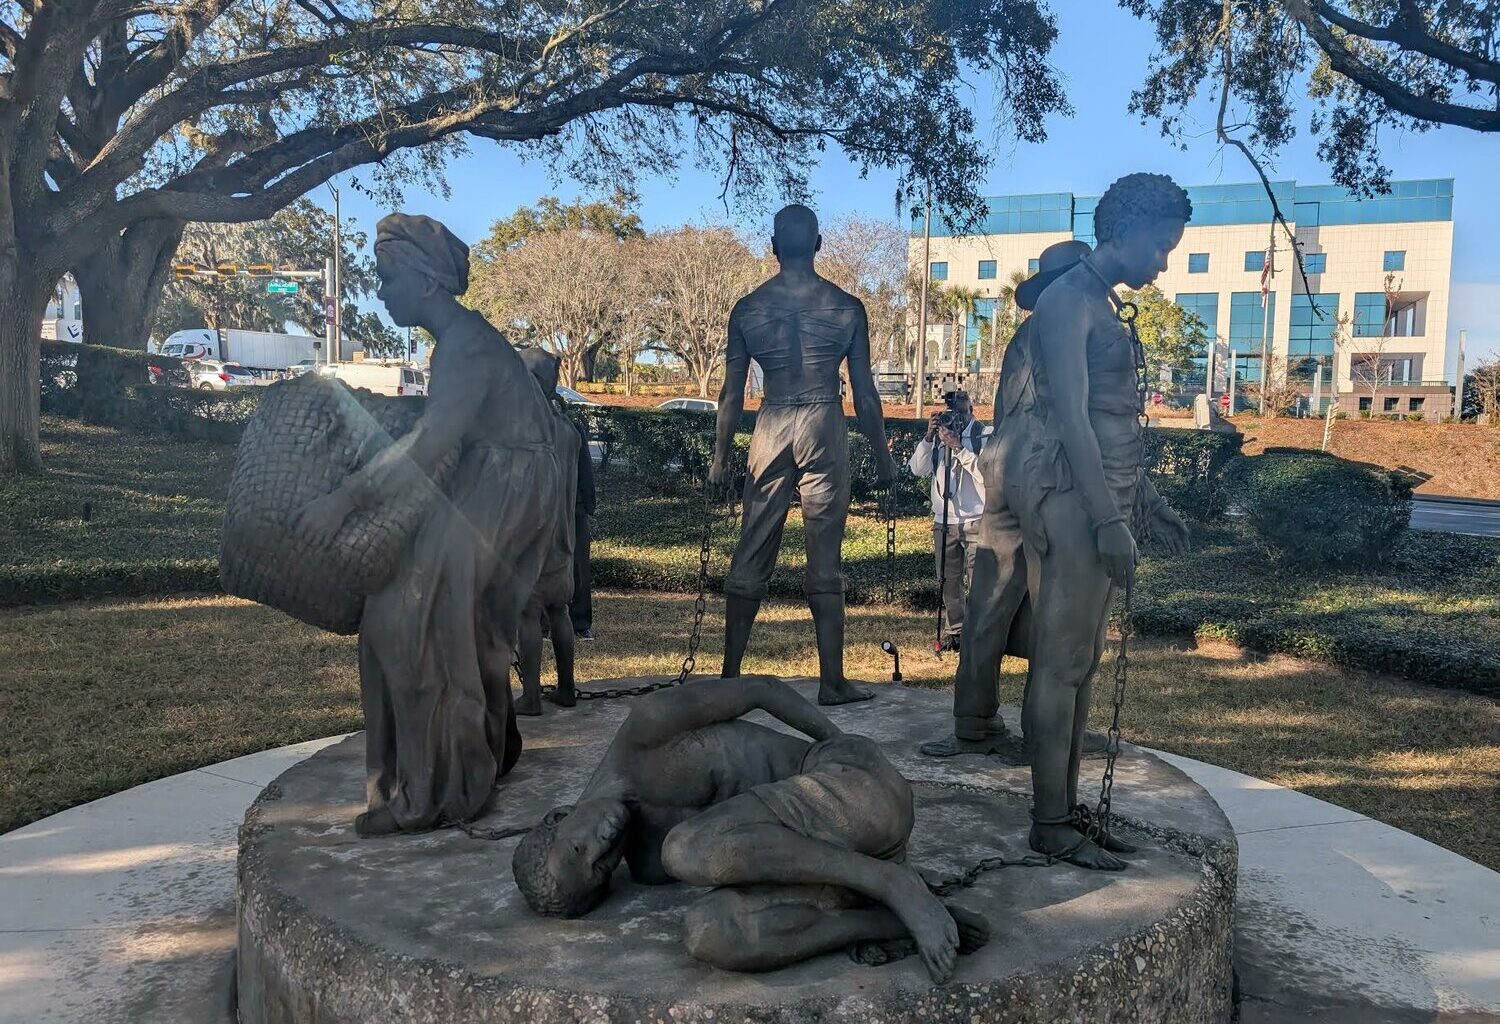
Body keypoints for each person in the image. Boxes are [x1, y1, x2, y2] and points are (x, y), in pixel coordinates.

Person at [292, 214, 560, 836]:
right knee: (471, 621)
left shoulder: (465, 344)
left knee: (410, 618)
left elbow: (432, 442)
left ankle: (438, 787)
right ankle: (486, 749)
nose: (380, 291)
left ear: (426, 280)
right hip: (509, 481)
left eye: (388, 278)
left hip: (506, 485)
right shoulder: (463, 341)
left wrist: (344, 500)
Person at [512, 676, 989, 983]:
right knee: (708, 932)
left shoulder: (645, 730)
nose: (602, 849)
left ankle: (891, 884)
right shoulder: (644, 863)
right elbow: (760, 858)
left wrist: (843, 749)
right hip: (838, 853)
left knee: (685, 850)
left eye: (578, 848)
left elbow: (763, 690)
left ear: (557, 817)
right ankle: (882, 920)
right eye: (597, 871)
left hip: (854, 793)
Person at [1004, 174, 1192, 870]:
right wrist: (1109, 518)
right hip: (1074, 499)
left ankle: (1068, 806)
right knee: (1060, 662)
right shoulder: (1067, 301)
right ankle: (1049, 821)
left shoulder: (1103, 303)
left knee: (1083, 662)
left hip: (1106, 497)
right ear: (1127, 229)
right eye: (1161, 246)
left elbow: (1117, 422)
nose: (1163, 263)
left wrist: (1146, 500)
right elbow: (1074, 420)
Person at [709, 204, 899, 706]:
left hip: (771, 424)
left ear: (773, 246)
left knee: (752, 545)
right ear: (818, 244)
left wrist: (719, 458)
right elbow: (865, 395)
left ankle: (729, 675)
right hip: (823, 422)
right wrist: (883, 458)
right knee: (825, 552)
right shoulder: (846, 308)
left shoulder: (748, 309)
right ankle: (831, 681)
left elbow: (731, 396)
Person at [919, 240, 1089, 760]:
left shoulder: (1023, 336)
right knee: (1057, 608)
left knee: (987, 605)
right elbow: (1084, 419)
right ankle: (1046, 731)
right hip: (1050, 478)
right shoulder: (1077, 330)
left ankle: (974, 721)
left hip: (1005, 473)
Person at [515, 348, 580, 716]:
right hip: (563, 537)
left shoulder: (527, 429)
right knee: (559, 610)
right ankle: (567, 687)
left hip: (532, 536)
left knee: (527, 613)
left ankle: (531, 697)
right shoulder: (568, 430)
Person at [907, 389, 990, 651]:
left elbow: (987, 475)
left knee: (978, 580)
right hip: (944, 519)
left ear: (972, 410)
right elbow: (917, 469)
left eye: (961, 413)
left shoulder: (983, 435)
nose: (956, 418)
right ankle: (956, 632)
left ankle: (980, 633)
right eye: (950, 413)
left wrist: (958, 448)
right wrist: (928, 438)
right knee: (948, 579)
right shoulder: (939, 436)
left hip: (976, 518)